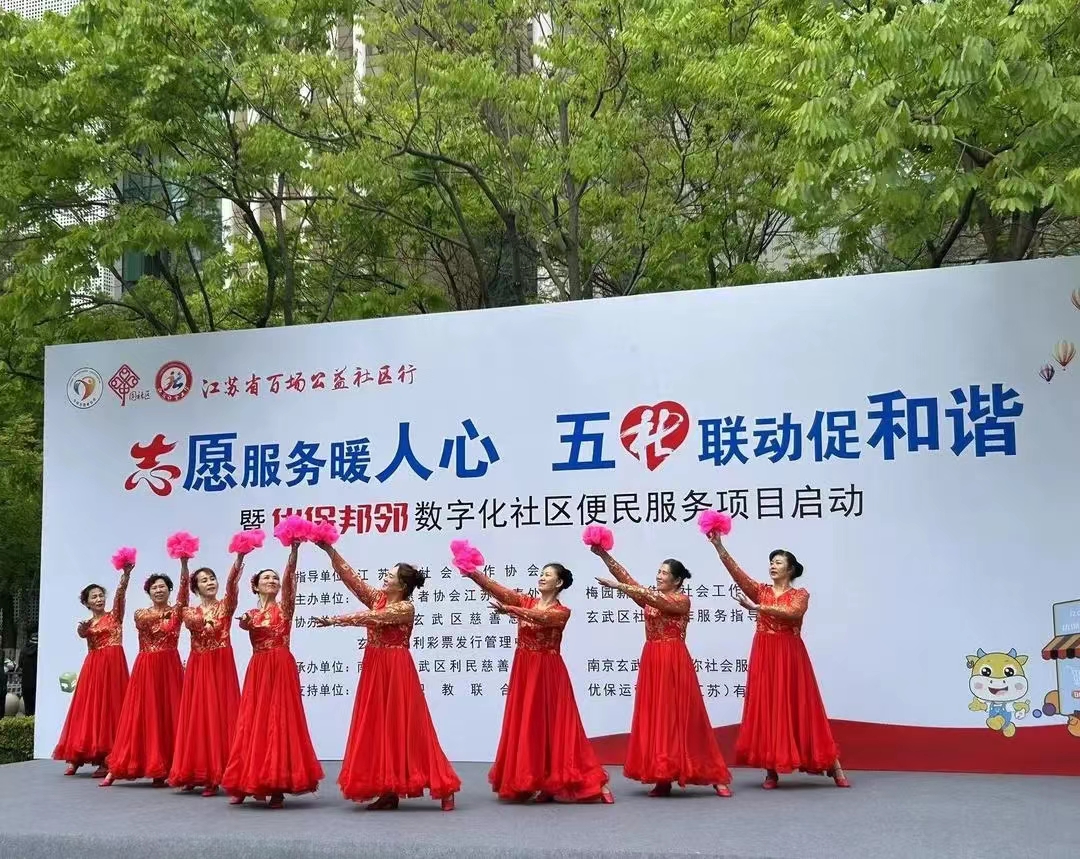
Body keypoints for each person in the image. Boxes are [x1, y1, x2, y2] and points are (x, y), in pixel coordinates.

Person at [311, 544, 459, 810]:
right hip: (374, 666)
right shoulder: (378, 597)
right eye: (387, 574)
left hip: (396, 668)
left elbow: (371, 618)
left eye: (390, 576)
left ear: (402, 585)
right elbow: (352, 579)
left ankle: (445, 785)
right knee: (379, 728)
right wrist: (329, 550)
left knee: (410, 728)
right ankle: (388, 790)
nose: (385, 578)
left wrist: (334, 620)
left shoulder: (405, 607)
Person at [456, 560, 614, 804]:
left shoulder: (561, 612)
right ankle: (542, 781)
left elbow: (541, 618)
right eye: (541, 573)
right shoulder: (526, 601)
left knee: (556, 726)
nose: (542, 577)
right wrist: (473, 573)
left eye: (547, 575)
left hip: (548, 672)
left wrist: (511, 610)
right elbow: (498, 590)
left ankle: (596, 784)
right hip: (524, 669)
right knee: (531, 725)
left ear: (558, 583)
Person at [708, 532, 850, 789]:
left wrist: (759, 608)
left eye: (778, 562)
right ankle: (771, 770)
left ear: (790, 569)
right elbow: (737, 574)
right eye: (771, 562)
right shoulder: (761, 591)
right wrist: (719, 547)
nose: (772, 566)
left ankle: (833, 764)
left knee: (802, 707)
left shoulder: (800, 594)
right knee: (768, 707)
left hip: (790, 653)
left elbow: (793, 613)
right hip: (764, 652)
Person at [590, 545, 733, 797]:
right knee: (658, 717)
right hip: (653, 659)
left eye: (664, 573)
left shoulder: (681, 600)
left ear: (677, 580)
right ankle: (663, 776)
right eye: (658, 571)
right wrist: (604, 555)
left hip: (674, 658)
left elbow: (645, 594)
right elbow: (629, 580)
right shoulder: (650, 597)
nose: (659, 576)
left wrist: (619, 587)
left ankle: (716, 776)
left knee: (686, 716)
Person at [222, 543, 324, 808]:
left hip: (281, 666)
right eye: (266, 578)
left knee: (280, 721)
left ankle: (277, 784)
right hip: (258, 668)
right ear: (255, 586)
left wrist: (294, 552)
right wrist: (239, 559)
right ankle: (243, 782)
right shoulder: (251, 614)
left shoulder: (285, 608)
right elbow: (233, 594)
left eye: (274, 578)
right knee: (251, 721)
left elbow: (290, 579)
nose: (272, 581)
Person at [101, 564, 189, 787]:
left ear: (169, 589)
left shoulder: (178, 611)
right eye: (154, 588)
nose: (159, 590)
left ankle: (167, 768)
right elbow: (135, 614)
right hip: (147, 667)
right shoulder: (141, 614)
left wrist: (184, 565)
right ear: (148, 592)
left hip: (170, 666)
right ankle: (117, 768)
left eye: (162, 587)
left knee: (170, 715)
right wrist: (125, 576)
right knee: (140, 715)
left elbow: (184, 593)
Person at [167, 553, 244, 796]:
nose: (210, 582)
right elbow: (183, 604)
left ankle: (219, 774)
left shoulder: (226, 605)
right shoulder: (189, 611)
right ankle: (194, 771)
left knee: (222, 716)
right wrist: (184, 565)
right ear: (196, 587)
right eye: (204, 580)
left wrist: (239, 559)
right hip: (199, 665)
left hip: (221, 664)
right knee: (198, 717)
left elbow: (232, 585)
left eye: (212, 578)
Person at [52, 565, 132, 776]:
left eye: (100, 595)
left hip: (114, 667)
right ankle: (76, 757)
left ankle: (107, 758)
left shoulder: (115, 616)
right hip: (94, 667)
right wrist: (82, 631)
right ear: (87, 603)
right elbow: (81, 634)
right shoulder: (87, 624)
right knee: (88, 710)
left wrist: (125, 576)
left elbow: (120, 596)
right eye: (94, 597)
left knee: (111, 710)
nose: (99, 599)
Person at [18, 624, 37, 717]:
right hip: (38, 683)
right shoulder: (41, 650)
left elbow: (20, 664)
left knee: (28, 709)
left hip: (26, 683)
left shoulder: (24, 651)